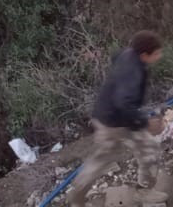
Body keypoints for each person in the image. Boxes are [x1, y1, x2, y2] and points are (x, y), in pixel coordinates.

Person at [66, 30, 167, 207]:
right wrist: (145, 122)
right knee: (146, 150)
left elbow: (115, 57)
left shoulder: (128, 54)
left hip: (108, 116)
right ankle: (142, 191)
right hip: (114, 123)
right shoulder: (134, 71)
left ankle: (78, 194)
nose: (160, 56)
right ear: (145, 55)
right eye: (157, 53)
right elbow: (124, 103)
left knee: (106, 158)